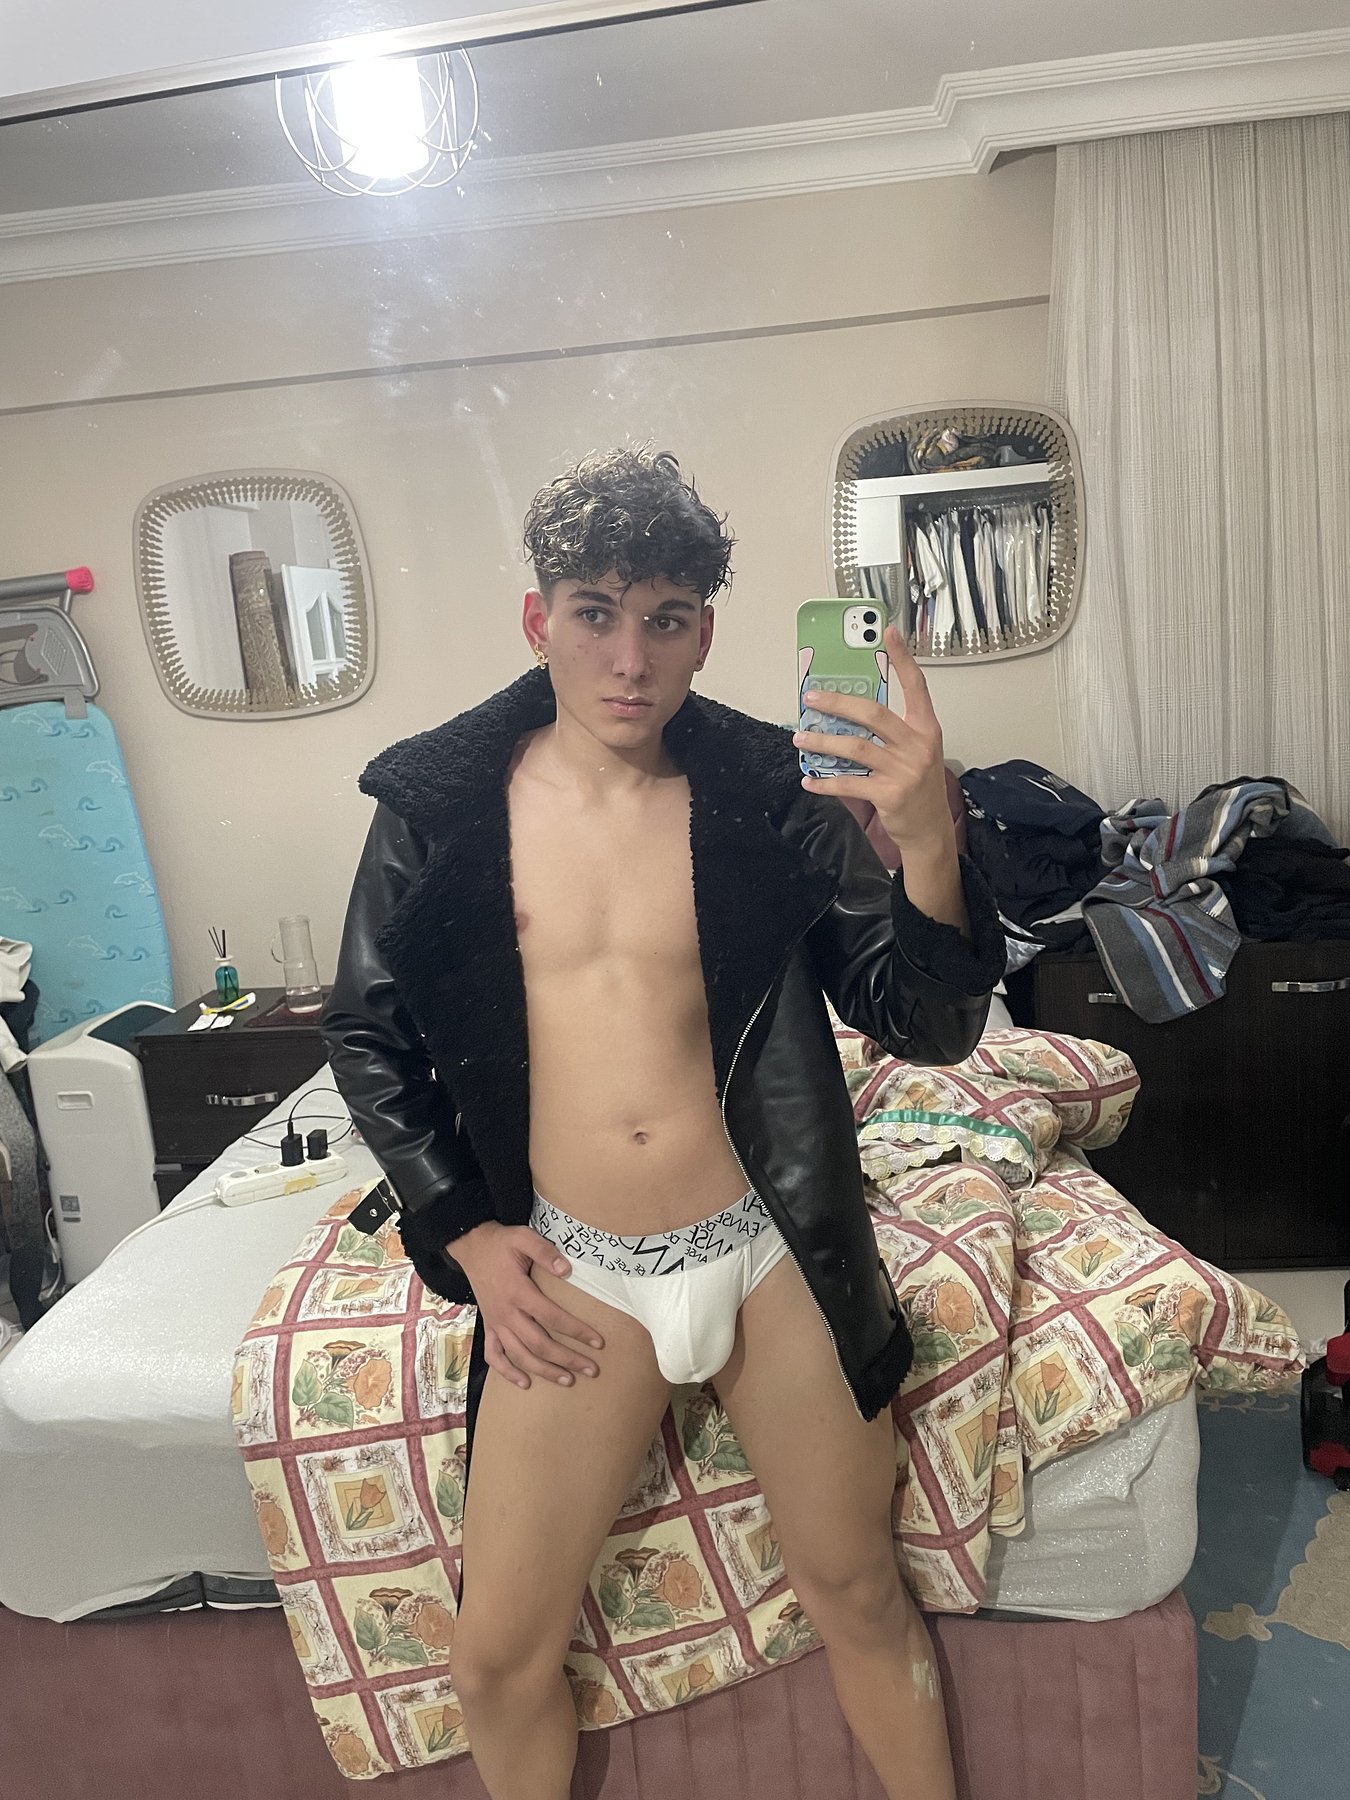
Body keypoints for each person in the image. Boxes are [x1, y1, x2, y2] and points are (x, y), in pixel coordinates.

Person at [322, 446, 1004, 1800]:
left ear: (705, 631)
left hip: (771, 1251)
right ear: (540, 619)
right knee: (495, 1662)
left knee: (858, 1591)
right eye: (595, 614)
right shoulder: (440, 808)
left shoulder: (770, 791)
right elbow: (367, 1032)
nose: (629, 660)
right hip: (579, 1273)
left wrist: (930, 839)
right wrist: (464, 1231)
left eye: (666, 619)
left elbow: (922, 1024)